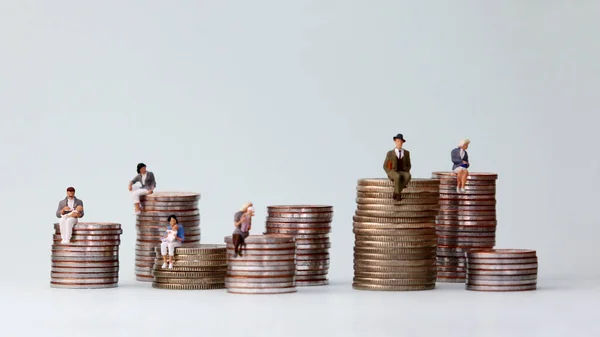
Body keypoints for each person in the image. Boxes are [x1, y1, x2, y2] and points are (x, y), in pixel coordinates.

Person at [383, 133, 412, 201]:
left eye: (401, 142)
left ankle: (396, 192)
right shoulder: (390, 153)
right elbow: (385, 165)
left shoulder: (406, 153)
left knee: (408, 176)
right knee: (397, 176)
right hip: (393, 171)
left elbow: (409, 164)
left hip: (403, 171)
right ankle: (398, 195)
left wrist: (406, 170)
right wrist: (389, 172)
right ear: (395, 141)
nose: (400, 143)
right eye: (398, 141)